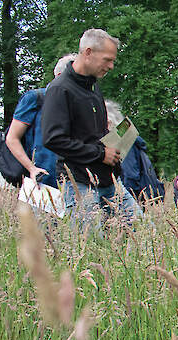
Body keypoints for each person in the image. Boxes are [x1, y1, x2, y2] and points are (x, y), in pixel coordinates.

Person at [41, 28, 140, 227]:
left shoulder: (93, 87)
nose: (111, 66)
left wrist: (116, 142)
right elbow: (53, 139)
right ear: (88, 52)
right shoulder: (60, 89)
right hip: (78, 183)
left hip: (109, 179)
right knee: (92, 245)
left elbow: (95, 134)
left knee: (144, 232)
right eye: (107, 60)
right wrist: (100, 154)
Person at [5, 53, 75, 188]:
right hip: (42, 181)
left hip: (74, 181)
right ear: (60, 76)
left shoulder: (79, 103)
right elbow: (12, 138)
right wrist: (31, 169)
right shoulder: (35, 98)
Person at [106, 100, 164, 204]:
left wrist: (122, 204)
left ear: (108, 122)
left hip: (134, 200)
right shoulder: (126, 136)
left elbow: (130, 176)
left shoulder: (124, 141)